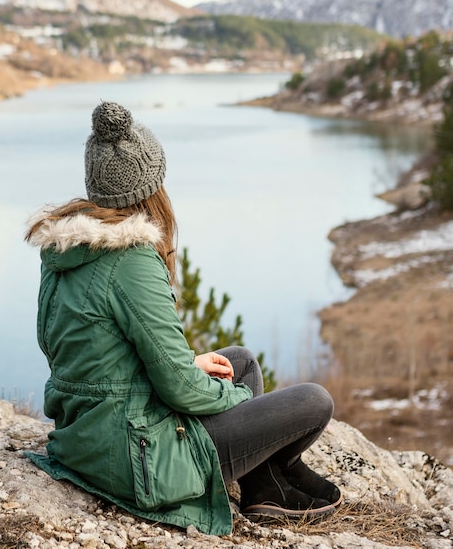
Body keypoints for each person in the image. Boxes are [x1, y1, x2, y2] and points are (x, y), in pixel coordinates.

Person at [24, 101, 341, 535]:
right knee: (313, 401)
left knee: (240, 362)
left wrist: (196, 369)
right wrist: (237, 402)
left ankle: (265, 487)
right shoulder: (131, 259)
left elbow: (88, 355)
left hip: (87, 433)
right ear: (151, 187)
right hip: (133, 457)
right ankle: (270, 481)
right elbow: (178, 389)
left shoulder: (65, 251)